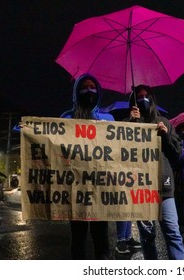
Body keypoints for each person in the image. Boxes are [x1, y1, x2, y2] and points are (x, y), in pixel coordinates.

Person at [128, 84, 184, 260]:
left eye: (146, 96)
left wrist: (166, 135)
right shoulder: (129, 122)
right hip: (141, 188)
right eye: (139, 96)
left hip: (164, 186)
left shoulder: (165, 122)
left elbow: (177, 155)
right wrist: (131, 125)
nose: (143, 99)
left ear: (152, 99)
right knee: (147, 237)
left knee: (173, 233)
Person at [60, 73, 114, 259]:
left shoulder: (109, 119)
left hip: (101, 188)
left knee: (102, 238)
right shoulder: (67, 117)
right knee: (78, 239)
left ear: (98, 92)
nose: (89, 91)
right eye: (85, 87)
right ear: (77, 92)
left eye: (93, 87)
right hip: (76, 189)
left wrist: (135, 122)